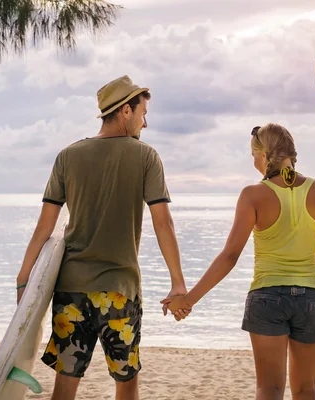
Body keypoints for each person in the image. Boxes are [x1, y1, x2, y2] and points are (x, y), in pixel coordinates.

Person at [16, 75, 188, 400]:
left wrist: (23, 278)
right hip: (119, 292)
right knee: (126, 383)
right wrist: (177, 282)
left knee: (65, 384)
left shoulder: (68, 156)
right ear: (125, 111)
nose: (145, 122)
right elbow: (163, 223)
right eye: (143, 113)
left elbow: (45, 226)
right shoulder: (146, 156)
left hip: (70, 291)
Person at [162, 123, 315, 400]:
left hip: (267, 298)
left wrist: (190, 299)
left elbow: (229, 256)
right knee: (306, 390)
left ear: (265, 155)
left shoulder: (252, 195)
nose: (253, 160)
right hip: (312, 300)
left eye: (254, 154)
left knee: (269, 389)